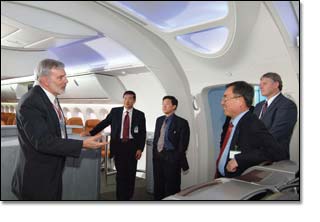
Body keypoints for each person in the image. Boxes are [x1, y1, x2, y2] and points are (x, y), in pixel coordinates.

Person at [11, 59, 107, 200]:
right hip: (36, 178)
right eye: (60, 77)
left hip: (51, 172)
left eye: (65, 76)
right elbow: (43, 141)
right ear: (44, 80)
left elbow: (57, 133)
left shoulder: (51, 98)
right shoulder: (30, 102)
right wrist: (82, 144)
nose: (66, 81)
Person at [81, 91, 146, 200]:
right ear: (123, 99)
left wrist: (140, 148)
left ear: (134, 101)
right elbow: (104, 123)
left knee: (131, 174)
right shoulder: (115, 111)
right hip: (118, 146)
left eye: (130, 98)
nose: (127, 101)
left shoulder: (140, 114)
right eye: (125, 98)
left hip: (132, 147)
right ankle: (120, 198)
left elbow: (142, 133)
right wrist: (91, 132)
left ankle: (129, 197)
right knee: (120, 174)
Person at [216, 81, 283, 178]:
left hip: (238, 184)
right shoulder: (231, 121)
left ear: (239, 101)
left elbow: (276, 152)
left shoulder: (252, 123)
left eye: (226, 98)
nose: (222, 102)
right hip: (224, 179)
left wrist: (240, 160)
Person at [153, 96, 190, 200]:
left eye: (167, 104)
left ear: (174, 106)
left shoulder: (182, 122)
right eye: (163, 103)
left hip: (171, 157)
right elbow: (157, 138)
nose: (164, 106)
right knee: (158, 185)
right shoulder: (159, 120)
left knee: (172, 186)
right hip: (158, 156)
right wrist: (155, 154)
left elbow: (183, 145)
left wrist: (175, 158)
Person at [254, 72, 297, 160]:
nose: (260, 87)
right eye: (260, 84)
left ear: (276, 84)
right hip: (255, 155)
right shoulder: (258, 106)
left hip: (273, 157)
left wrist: (251, 144)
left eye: (264, 83)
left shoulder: (287, 105)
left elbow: (276, 134)